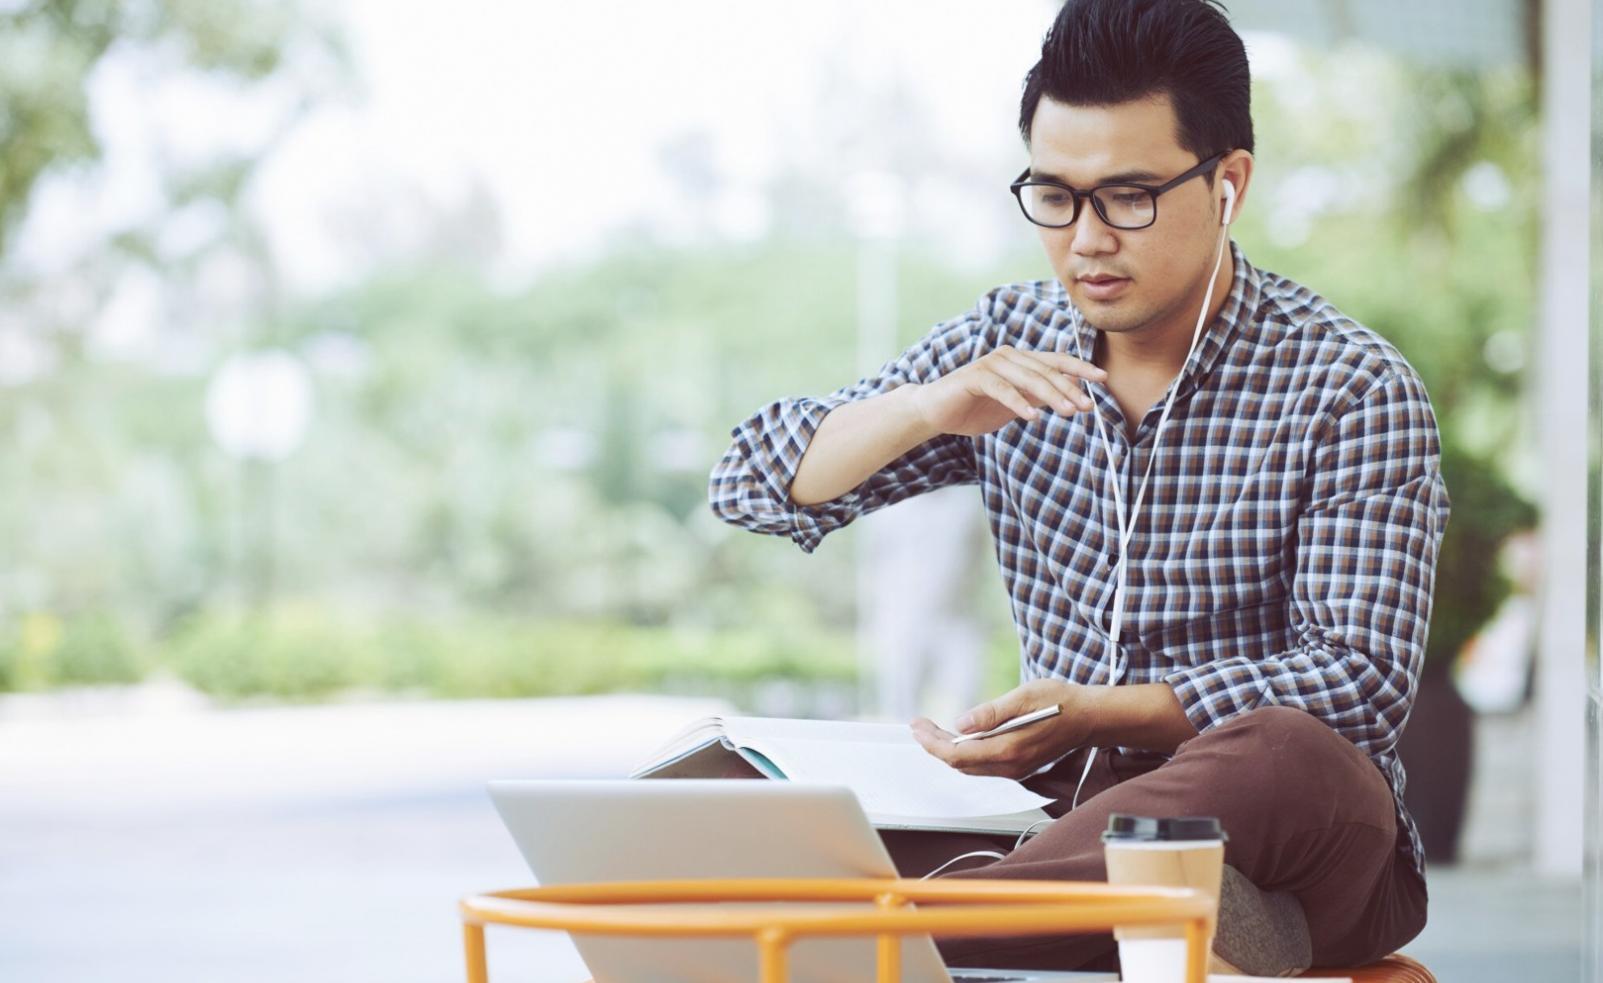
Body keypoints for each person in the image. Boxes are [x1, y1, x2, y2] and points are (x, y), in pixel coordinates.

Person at [707, 0, 1447, 972]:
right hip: (1052, 819)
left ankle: (893, 930)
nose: (1085, 240)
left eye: (1127, 196)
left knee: (1291, 752)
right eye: (1053, 196)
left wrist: (1103, 710)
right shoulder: (1003, 348)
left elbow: (1357, 681)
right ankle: (1139, 916)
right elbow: (753, 480)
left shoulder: (1348, 385)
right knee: (734, 791)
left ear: (1228, 184)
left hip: (1298, 839)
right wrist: (926, 408)